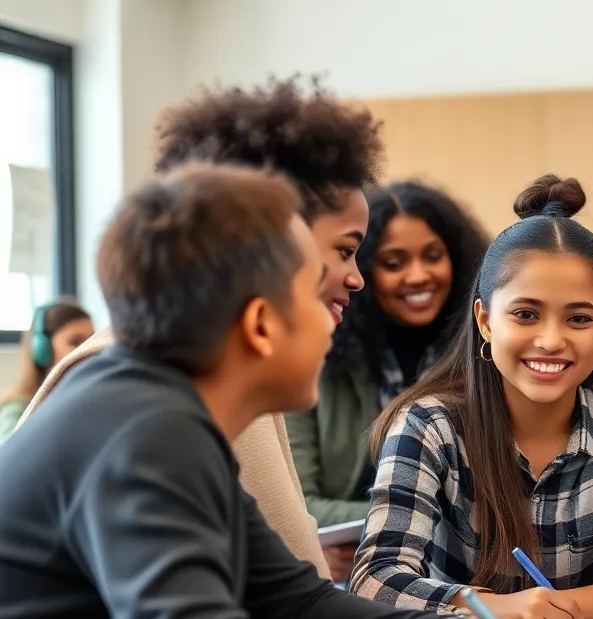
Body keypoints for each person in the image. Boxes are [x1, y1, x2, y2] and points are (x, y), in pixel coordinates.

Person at [0, 163, 540, 619]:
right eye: (312, 291)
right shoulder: (145, 431)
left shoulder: (161, 408)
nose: (338, 309)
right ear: (260, 324)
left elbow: (295, 603)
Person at [16, 76, 381, 580]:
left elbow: (287, 592)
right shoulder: (144, 405)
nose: (357, 277)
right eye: (343, 250)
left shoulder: (218, 374)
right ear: (276, 236)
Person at [351, 175, 593, 619]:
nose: (550, 340)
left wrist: (570, 606)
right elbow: (374, 580)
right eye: (525, 314)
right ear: (484, 320)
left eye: (579, 319)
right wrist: (493, 608)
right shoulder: (428, 426)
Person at [286, 182, 488, 579]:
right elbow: (300, 503)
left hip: (469, 579)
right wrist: (419, 522)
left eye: (433, 256)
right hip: (357, 576)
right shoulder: (315, 359)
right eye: (394, 263)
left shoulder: (484, 353)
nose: (418, 276)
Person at [0, 299, 92, 442]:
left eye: (91, 340)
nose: (88, 349)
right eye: (75, 342)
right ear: (43, 350)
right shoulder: (15, 410)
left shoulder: (89, 398)